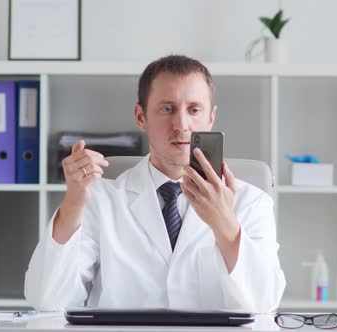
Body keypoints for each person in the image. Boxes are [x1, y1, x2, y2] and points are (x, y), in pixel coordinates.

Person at [24, 55, 285, 313]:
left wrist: (224, 223)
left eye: (194, 110)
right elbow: (48, 300)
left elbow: (264, 303)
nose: (181, 124)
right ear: (141, 116)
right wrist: (73, 202)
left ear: (210, 118)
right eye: (167, 108)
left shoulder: (251, 202)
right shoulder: (99, 199)